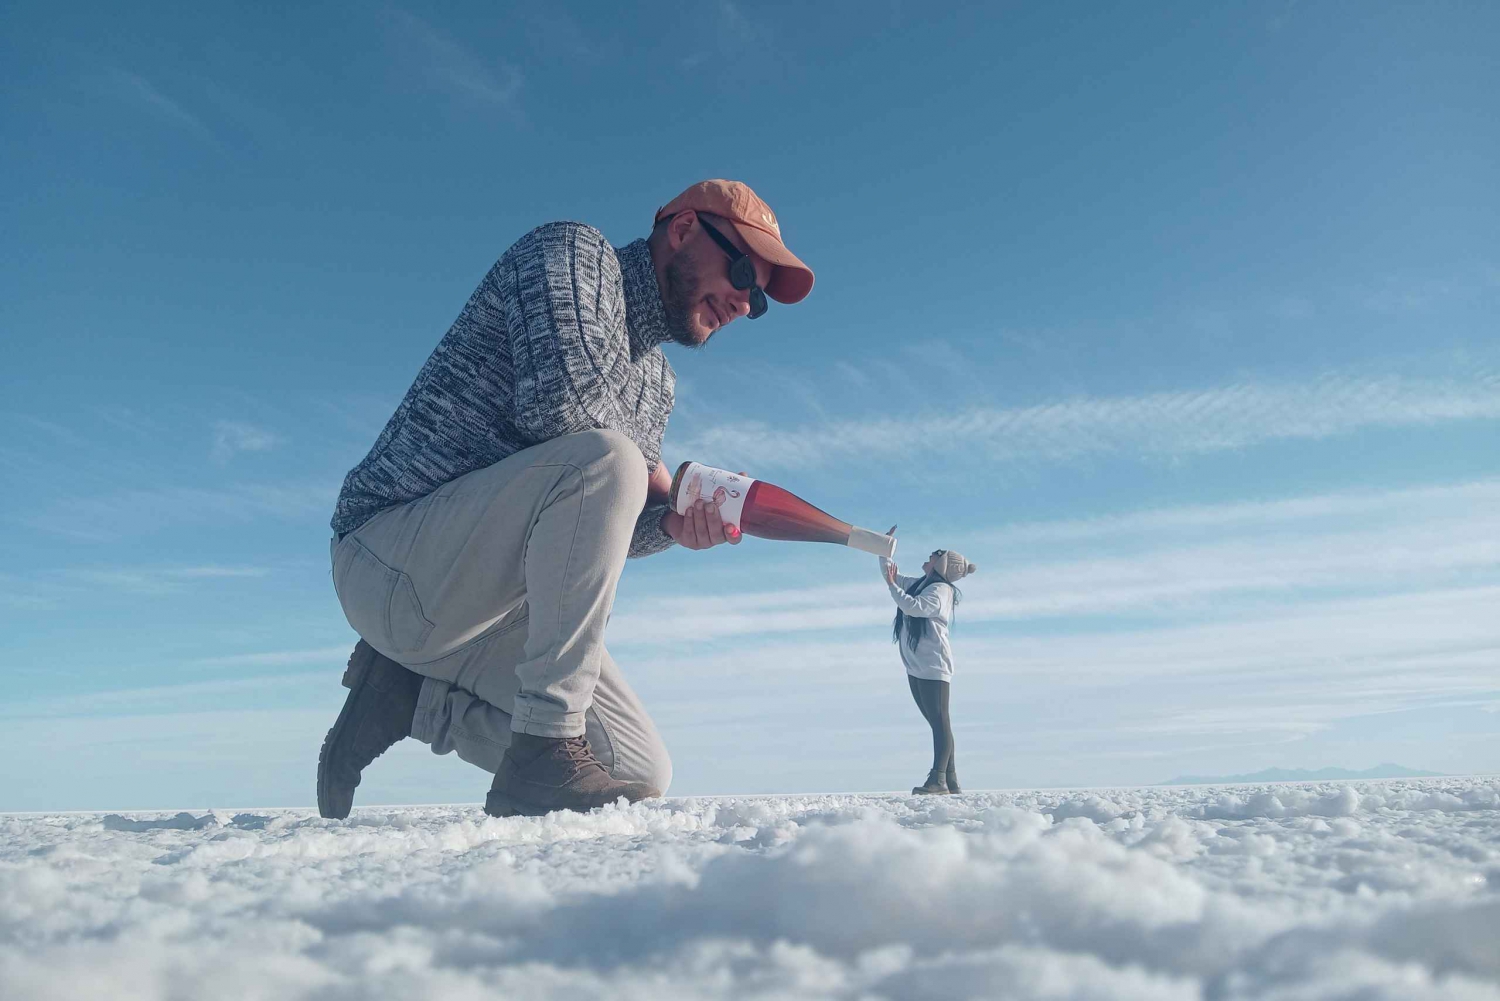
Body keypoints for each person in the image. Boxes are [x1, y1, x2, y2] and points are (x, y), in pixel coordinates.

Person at [317, 179, 815, 819]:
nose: (747, 304)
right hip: (385, 562)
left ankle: (408, 699)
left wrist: (671, 523)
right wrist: (655, 479)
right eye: (744, 271)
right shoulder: (575, 253)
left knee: (637, 773)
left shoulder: (655, 386)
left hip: (481, 610)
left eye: (761, 301)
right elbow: (561, 404)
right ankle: (545, 748)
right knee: (611, 456)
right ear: (684, 229)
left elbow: (585, 526)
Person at [880, 546, 977, 795]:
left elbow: (914, 607)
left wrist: (893, 587)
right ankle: (950, 779)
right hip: (916, 665)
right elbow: (892, 574)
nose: (930, 555)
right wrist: (883, 549)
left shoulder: (940, 590)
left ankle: (938, 779)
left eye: (936, 554)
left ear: (942, 565)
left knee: (940, 721)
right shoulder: (922, 584)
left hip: (933, 665)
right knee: (937, 722)